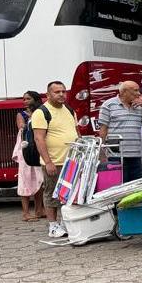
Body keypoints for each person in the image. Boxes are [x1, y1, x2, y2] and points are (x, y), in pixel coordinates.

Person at [32, 81, 79, 238]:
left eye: (63, 92)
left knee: (69, 194)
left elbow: (76, 133)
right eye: (57, 92)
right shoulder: (41, 112)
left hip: (71, 161)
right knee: (52, 193)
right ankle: (53, 226)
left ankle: (65, 222)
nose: (61, 94)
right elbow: (39, 139)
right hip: (54, 162)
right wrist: (48, 161)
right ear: (48, 94)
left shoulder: (69, 110)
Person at [98, 81, 142, 182]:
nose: (139, 93)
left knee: (135, 189)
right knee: (119, 187)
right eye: (135, 90)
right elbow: (103, 130)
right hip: (115, 156)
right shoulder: (108, 105)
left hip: (136, 156)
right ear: (124, 92)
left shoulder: (140, 107)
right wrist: (102, 153)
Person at [13, 90, 44, 222]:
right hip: (26, 150)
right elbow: (22, 127)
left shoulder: (40, 112)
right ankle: (26, 213)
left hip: (37, 149)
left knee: (39, 180)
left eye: (28, 99)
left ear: (35, 100)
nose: (25, 101)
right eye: (24, 99)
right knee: (25, 179)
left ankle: (39, 210)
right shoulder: (22, 114)